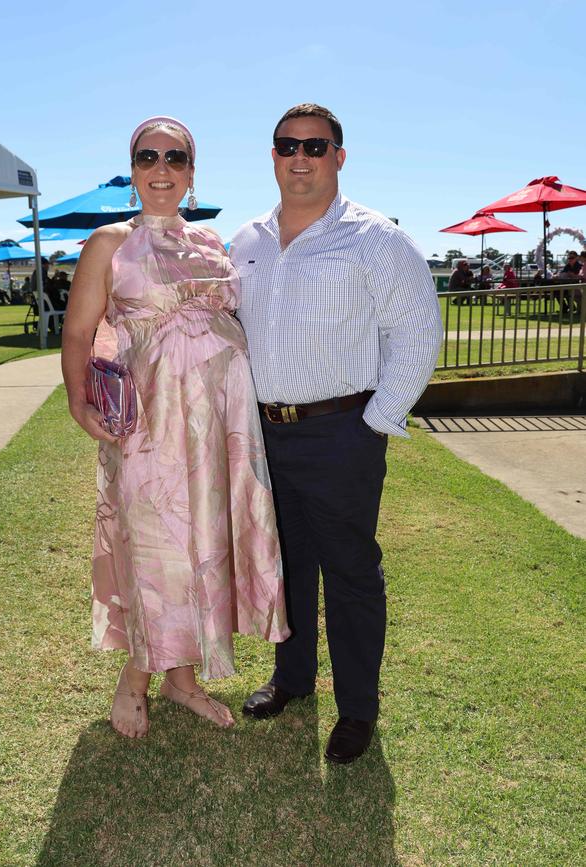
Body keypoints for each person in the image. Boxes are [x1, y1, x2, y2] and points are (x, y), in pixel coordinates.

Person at [61, 115, 289, 739]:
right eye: (147, 157)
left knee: (202, 545)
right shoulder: (108, 243)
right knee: (155, 546)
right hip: (148, 424)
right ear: (132, 170)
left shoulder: (213, 245)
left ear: (191, 173)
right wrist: (80, 403)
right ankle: (135, 676)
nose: (161, 169)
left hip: (217, 425)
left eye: (175, 158)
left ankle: (180, 678)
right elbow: (80, 332)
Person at [230, 103, 443, 764]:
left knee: (350, 572)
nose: (301, 157)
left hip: (342, 431)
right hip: (269, 433)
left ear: (339, 157)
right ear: (272, 155)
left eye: (316, 146)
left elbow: (418, 333)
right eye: (287, 145)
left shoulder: (375, 238)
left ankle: (357, 709)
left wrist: (375, 423)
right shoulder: (247, 241)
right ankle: (291, 678)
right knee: (287, 564)